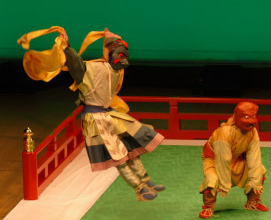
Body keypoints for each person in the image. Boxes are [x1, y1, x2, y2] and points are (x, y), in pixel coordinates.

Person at [18, 26, 165, 202]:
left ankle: (145, 180)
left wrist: (67, 46)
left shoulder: (109, 69)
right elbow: (75, 63)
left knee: (130, 148)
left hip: (109, 114)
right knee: (118, 156)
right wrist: (66, 47)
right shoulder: (99, 69)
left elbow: (78, 64)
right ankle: (139, 188)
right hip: (96, 119)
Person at [198, 101, 268, 218]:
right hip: (214, 161)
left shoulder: (252, 132)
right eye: (247, 117)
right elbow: (223, 159)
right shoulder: (224, 132)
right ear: (237, 117)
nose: (252, 121)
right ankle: (208, 207)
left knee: (259, 170)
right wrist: (224, 184)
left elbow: (254, 156)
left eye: (254, 117)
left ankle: (252, 202)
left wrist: (255, 182)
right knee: (212, 180)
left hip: (236, 159)